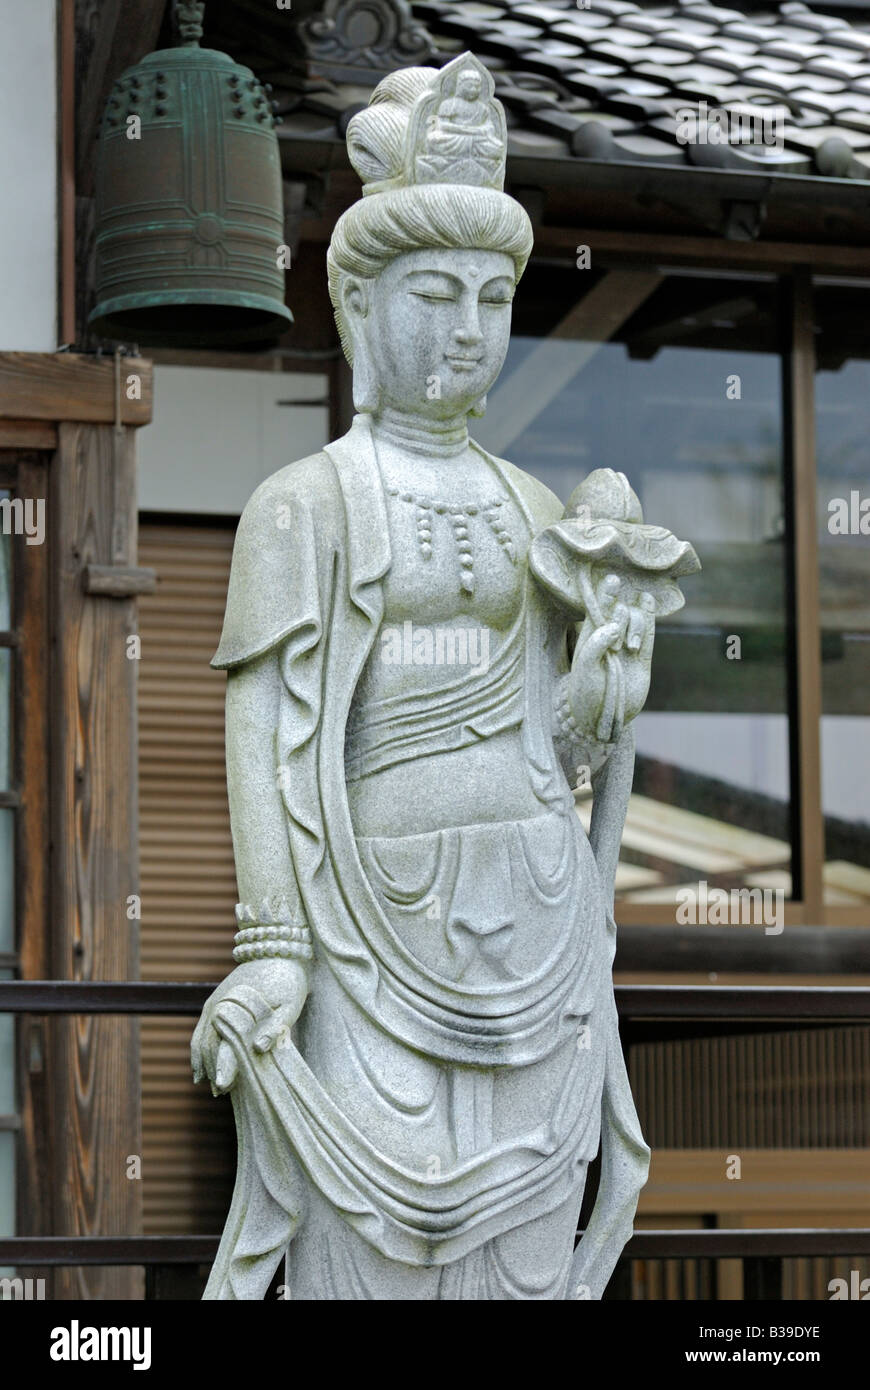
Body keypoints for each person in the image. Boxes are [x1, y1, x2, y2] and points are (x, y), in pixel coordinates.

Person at [191, 53, 654, 1301]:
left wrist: (611, 670)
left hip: (541, 930)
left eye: (491, 296)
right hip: (365, 932)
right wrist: (274, 944)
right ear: (358, 304)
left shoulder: (533, 509)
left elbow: (564, 749)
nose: (464, 328)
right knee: (368, 1258)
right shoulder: (303, 508)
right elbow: (267, 730)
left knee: (520, 1267)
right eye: (433, 291)